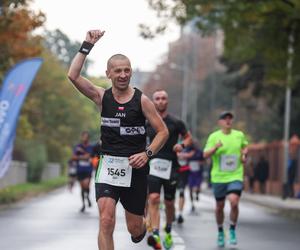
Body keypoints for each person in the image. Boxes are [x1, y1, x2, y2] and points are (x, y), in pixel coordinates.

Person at [68, 30, 169, 250]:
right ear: (109, 74)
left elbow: (163, 132)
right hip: (108, 166)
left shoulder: (142, 101)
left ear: (131, 72)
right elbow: (73, 76)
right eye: (118, 71)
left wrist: (147, 153)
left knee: (134, 229)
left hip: (135, 168)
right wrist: (87, 44)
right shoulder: (102, 97)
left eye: (127, 70)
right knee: (106, 220)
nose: (123, 75)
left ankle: (144, 226)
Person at [146, 89, 192, 249]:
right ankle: (156, 234)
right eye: (157, 98)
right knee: (153, 198)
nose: (160, 101)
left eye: (163, 98)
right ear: (153, 102)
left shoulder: (176, 122)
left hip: (171, 166)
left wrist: (182, 145)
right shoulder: (148, 121)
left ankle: (169, 229)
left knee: (169, 203)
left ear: (167, 101)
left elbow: (188, 137)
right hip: (153, 165)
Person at [203, 111, 248, 247]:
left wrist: (244, 154)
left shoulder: (239, 135)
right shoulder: (214, 137)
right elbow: (205, 154)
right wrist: (215, 147)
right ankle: (221, 231)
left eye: (230, 118)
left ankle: (232, 229)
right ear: (220, 122)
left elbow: (245, 147)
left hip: (235, 175)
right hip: (218, 177)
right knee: (219, 207)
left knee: (234, 202)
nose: (228, 121)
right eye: (225, 119)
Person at [71, 131, 94, 212]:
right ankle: (83, 204)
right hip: (80, 170)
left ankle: (87, 196)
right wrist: (84, 157)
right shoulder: (77, 147)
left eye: (86, 137)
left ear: (88, 138)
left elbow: (91, 157)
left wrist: (80, 156)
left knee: (86, 185)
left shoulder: (91, 147)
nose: (85, 138)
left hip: (88, 170)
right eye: (83, 136)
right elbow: (73, 157)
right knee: (82, 188)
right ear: (81, 137)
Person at [176, 144, 195, 223]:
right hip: (174, 170)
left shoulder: (189, 143)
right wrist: (177, 154)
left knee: (181, 191)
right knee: (172, 193)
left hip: (184, 171)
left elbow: (193, 152)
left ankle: (180, 213)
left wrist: (185, 155)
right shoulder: (173, 138)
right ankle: (172, 213)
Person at [187, 142, 204, 212]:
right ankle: (192, 204)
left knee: (197, 187)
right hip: (190, 173)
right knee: (190, 189)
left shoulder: (200, 152)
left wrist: (200, 163)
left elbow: (204, 160)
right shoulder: (188, 151)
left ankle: (197, 193)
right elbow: (185, 160)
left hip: (198, 173)